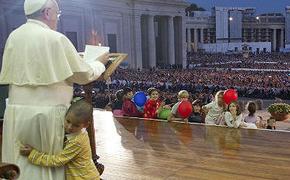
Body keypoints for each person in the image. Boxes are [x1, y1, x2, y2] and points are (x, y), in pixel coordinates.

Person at [0, 0, 108, 179]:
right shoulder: (55, 38)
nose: (57, 19)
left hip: (16, 113)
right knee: (45, 170)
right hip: (46, 116)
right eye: (57, 15)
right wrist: (99, 63)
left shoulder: (14, 36)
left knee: (23, 166)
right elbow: (84, 75)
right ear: (47, 12)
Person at [20, 99, 99, 180]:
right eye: (68, 121)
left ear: (86, 125)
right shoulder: (79, 133)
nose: (69, 127)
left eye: (76, 125)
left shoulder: (77, 141)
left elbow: (58, 161)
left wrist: (33, 154)